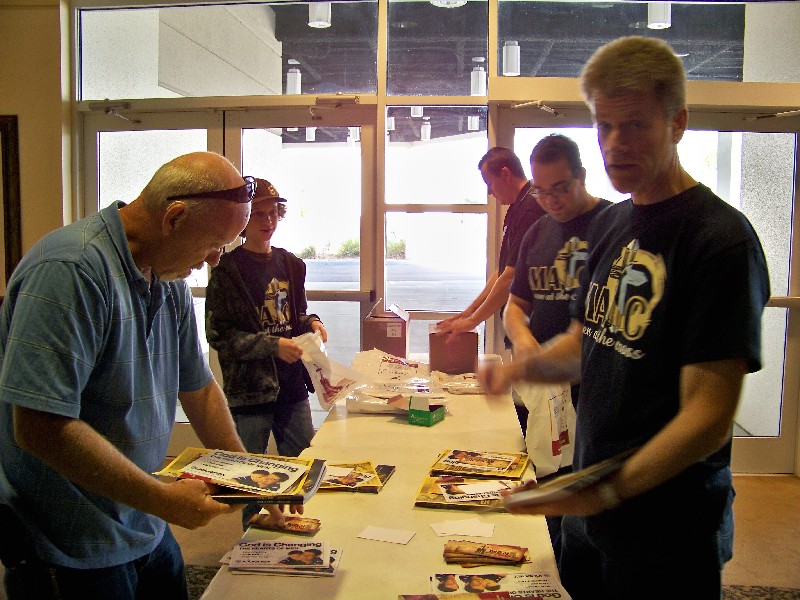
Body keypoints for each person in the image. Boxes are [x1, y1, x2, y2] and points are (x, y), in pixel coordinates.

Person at [479, 36, 770, 598]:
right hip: (591, 507)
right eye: (605, 126)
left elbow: (708, 414)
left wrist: (606, 490)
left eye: (635, 125)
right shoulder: (613, 226)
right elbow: (586, 342)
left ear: (677, 122)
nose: (616, 143)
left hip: (667, 527)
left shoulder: (719, 240)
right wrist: (521, 367)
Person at [0, 151, 291, 600]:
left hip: (144, 523)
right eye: (214, 243)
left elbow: (199, 390)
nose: (216, 260)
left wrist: (249, 478)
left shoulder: (167, 276)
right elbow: (41, 426)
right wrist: (162, 499)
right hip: (72, 545)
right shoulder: (70, 270)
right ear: (174, 218)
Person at [504, 133, 611, 555]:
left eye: (560, 188)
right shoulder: (537, 233)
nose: (550, 200)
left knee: (587, 501)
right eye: (541, 190)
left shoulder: (613, 226)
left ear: (581, 176)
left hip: (593, 385)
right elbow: (515, 305)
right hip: (544, 389)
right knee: (545, 481)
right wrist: (524, 341)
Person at [205, 177, 327, 529]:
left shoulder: (291, 264)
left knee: (302, 470)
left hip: (292, 387)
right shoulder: (227, 272)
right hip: (249, 393)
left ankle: (299, 536)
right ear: (243, 218)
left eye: (273, 212)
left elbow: (294, 316)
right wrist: (272, 345)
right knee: (251, 480)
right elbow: (220, 336)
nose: (268, 220)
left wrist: (313, 323)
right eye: (258, 213)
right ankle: (252, 542)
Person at [438, 147, 545, 431]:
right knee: (526, 402)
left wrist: (473, 320)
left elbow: (511, 277)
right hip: (521, 328)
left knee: (537, 412)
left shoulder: (531, 207)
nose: (490, 193)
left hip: (535, 328)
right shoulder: (517, 209)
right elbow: (501, 271)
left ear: (505, 174)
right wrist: (467, 313)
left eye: (489, 183)